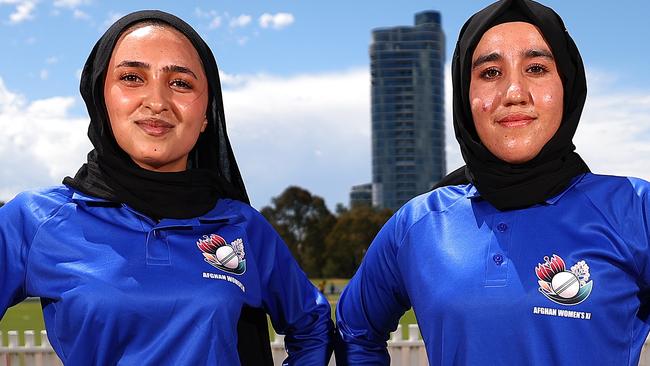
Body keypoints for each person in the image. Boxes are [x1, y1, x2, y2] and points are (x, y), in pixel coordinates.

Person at [0, 10, 333, 365]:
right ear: (101, 97)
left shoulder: (242, 227)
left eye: (180, 84)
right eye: (131, 77)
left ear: (206, 114)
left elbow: (312, 325)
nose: (157, 102)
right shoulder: (35, 220)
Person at [335, 0, 650, 365]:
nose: (514, 93)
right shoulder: (418, 224)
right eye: (489, 73)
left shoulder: (635, 209)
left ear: (568, 85)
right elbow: (353, 332)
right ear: (465, 97)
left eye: (536, 68)